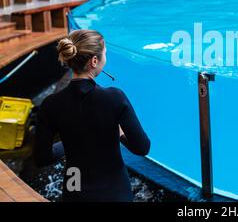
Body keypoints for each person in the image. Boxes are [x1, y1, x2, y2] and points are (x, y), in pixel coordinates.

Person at [33, 30, 150, 202]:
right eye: (105, 54)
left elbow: (42, 158)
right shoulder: (115, 98)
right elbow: (142, 147)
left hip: (75, 190)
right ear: (94, 61)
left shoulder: (51, 104)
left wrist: (71, 140)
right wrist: (119, 134)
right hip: (114, 192)